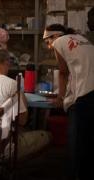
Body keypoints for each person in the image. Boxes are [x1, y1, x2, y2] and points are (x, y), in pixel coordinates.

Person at [43, 24, 94, 180]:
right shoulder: (83, 39)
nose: (48, 46)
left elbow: (63, 73)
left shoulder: (60, 42)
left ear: (55, 36)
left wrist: (60, 98)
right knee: (88, 143)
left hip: (84, 97)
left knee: (76, 145)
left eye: (47, 41)